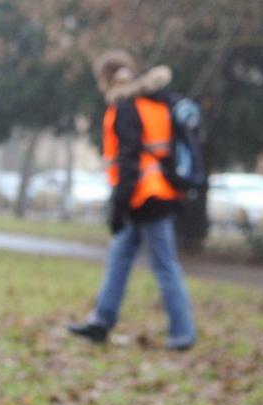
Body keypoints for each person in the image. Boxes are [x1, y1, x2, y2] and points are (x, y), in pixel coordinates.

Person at [68, 51, 196, 351]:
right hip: (153, 193)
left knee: (165, 266)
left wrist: (119, 204)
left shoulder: (126, 106)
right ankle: (101, 320)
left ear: (106, 78)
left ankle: (183, 333)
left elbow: (128, 161)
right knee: (120, 258)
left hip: (147, 196)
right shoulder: (151, 101)